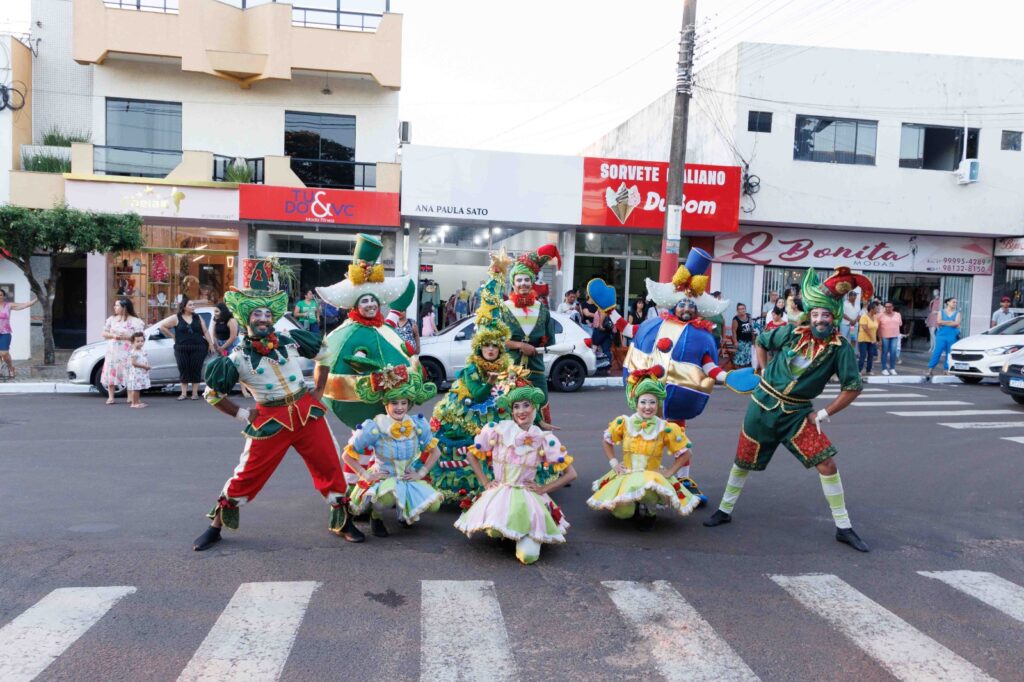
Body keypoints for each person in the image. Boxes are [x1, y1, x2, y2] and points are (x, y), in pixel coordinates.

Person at [703, 266, 871, 553]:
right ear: (810, 314)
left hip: (797, 414)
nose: (820, 319)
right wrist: (765, 369)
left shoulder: (840, 348)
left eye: (826, 314)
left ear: (835, 317)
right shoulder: (792, 333)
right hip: (762, 406)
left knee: (827, 463)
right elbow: (761, 341)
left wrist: (823, 413)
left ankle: (843, 527)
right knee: (743, 460)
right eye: (816, 313)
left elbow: (852, 387)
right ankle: (724, 510)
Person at [193, 259, 355, 551]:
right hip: (269, 422)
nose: (264, 318)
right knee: (247, 475)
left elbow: (324, 354)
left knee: (331, 467)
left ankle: (343, 521)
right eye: (257, 313)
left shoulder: (290, 339)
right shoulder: (236, 358)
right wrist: (243, 414)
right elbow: (212, 394)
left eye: (268, 313)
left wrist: (318, 388)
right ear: (246, 318)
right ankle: (215, 526)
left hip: (307, 413)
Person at [591, 247, 759, 507]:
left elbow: (709, 365)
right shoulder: (652, 325)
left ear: (697, 310)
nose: (686, 308)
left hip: (678, 398)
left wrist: (728, 377)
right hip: (647, 395)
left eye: (691, 305)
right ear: (674, 305)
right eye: (682, 303)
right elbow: (626, 330)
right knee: (643, 438)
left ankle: (681, 481)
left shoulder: (702, 336)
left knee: (679, 439)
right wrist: (610, 309)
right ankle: (639, 479)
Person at [455, 382, 577, 565]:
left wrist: (543, 489)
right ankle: (508, 533)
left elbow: (571, 474)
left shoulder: (544, 439)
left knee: (528, 556)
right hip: (500, 492)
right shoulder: (497, 430)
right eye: (516, 407)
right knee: (494, 529)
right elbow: (472, 455)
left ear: (534, 408)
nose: (521, 411)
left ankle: (524, 537)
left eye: (526, 405)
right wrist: (486, 483)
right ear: (512, 411)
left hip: (528, 496)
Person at [314, 233, 420, 430]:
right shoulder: (345, 334)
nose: (371, 305)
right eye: (364, 301)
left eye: (373, 300)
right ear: (355, 305)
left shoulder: (384, 328)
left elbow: (407, 292)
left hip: (389, 418)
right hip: (360, 414)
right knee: (364, 444)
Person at [587, 367, 700, 529]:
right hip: (628, 472)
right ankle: (632, 507)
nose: (648, 407)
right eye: (644, 402)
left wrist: (670, 472)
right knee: (622, 513)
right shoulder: (624, 422)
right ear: (636, 403)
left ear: (658, 404)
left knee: (648, 493)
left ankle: (649, 512)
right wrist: (614, 463)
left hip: (651, 475)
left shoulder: (665, 427)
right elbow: (607, 441)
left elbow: (686, 453)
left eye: (652, 402)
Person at [344, 366, 443, 537]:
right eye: (394, 403)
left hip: (406, 477)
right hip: (384, 478)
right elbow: (347, 455)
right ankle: (376, 516)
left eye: (403, 403)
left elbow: (436, 452)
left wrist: (421, 473)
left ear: (409, 404)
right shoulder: (375, 426)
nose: (399, 408)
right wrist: (365, 474)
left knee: (435, 505)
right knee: (385, 499)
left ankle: (405, 513)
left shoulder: (417, 424)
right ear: (386, 404)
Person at [501, 243, 561, 425]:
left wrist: (542, 347)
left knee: (540, 406)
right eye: (519, 280)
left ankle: (544, 448)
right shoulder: (504, 309)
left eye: (527, 280)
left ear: (532, 281)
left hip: (536, 369)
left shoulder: (541, 308)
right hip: (510, 371)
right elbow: (495, 340)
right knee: (510, 410)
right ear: (513, 283)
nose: (523, 284)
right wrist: (520, 345)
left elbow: (550, 340)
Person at [158, 297, 213, 401]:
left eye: (193, 305)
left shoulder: (198, 317)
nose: (193, 307)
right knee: (183, 368)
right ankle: (183, 393)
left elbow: (205, 331)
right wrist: (172, 336)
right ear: (184, 307)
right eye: (190, 305)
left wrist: (210, 344)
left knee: (195, 368)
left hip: (198, 347)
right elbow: (163, 326)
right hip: (181, 347)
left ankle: (195, 393)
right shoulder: (176, 317)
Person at [101, 298, 145, 404]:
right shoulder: (112, 319)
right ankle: (111, 396)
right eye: (115, 305)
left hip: (128, 351)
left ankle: (130, 396)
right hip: (113, 351)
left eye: (117, 305)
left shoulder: (136, 321)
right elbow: (104, 333)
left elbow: (141, 336)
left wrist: (128, 336)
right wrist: (113, 335)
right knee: (112, 371)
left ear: (124, 307)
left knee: (129, 372)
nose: (115, 307)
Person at [0, 287, 37, 379]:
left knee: (4, 353)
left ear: (3, 296)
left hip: (5, 332)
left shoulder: (8, 306)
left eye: (0, 295)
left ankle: (11, 368)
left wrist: (37, 299)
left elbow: (24, 305)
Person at [928, 297, 961, 377]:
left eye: (956, 302)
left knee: (949, 353)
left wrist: (944, 322)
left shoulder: (957, 313)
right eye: (953, 302)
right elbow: (939, 322)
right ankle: (930, 369)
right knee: (937, 352)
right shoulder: (941, 312)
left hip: (952, 335)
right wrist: (950, 322)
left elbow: (956, 324)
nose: (955, 304)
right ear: (948, 303)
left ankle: (946, 370)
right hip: (941, 335)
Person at [126, 332, 151, 408]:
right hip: (136, 373)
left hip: (141, 373)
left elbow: (144, 359)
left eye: (142, 341)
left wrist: (147, 365)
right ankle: (134, 403)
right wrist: (144, 366)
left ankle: (137, 401)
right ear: (133, 342)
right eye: (137, 341)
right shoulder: (134, 352)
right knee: (136, 388)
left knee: (138, 388)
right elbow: (134, 363)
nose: (140, 343)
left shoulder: (142, 350)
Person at [878, 301, 903, 376]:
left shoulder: (897, 314)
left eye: (889, 307)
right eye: (886, 307)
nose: (888, 308)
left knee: (893, 352)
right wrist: (879, 338)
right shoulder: (880, 315)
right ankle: (884, 368)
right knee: (884, 352)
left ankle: (892, 368)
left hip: (895, 336)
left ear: (893, 307)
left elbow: (900, 324)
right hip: (884, 336)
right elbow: (878, 327)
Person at [857, 301, 880, 375]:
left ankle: (868, 370)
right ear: (871, 309)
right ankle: (858, 370)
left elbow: (875, 329)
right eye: (876, 309)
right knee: (863, 355)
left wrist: (876, 339)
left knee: (871, 355)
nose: (878, 310)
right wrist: (872, 338)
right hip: (864, 339)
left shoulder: (875, 317)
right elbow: (865, 328)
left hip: (872, 340)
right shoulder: (864, 316)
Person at [731, 303, 756, 368]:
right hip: (741, 341)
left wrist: (754, 340)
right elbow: (733, 331)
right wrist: (735, 342)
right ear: (737, 310)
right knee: (739, 358)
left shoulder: (749, 317)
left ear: (745, 309)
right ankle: (738, 372)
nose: (741, 310)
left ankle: (746, 371)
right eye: (739, 309)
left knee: (748, 357)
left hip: (749, 341)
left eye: (743, 308)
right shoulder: (735, 319)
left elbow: (751, 328)